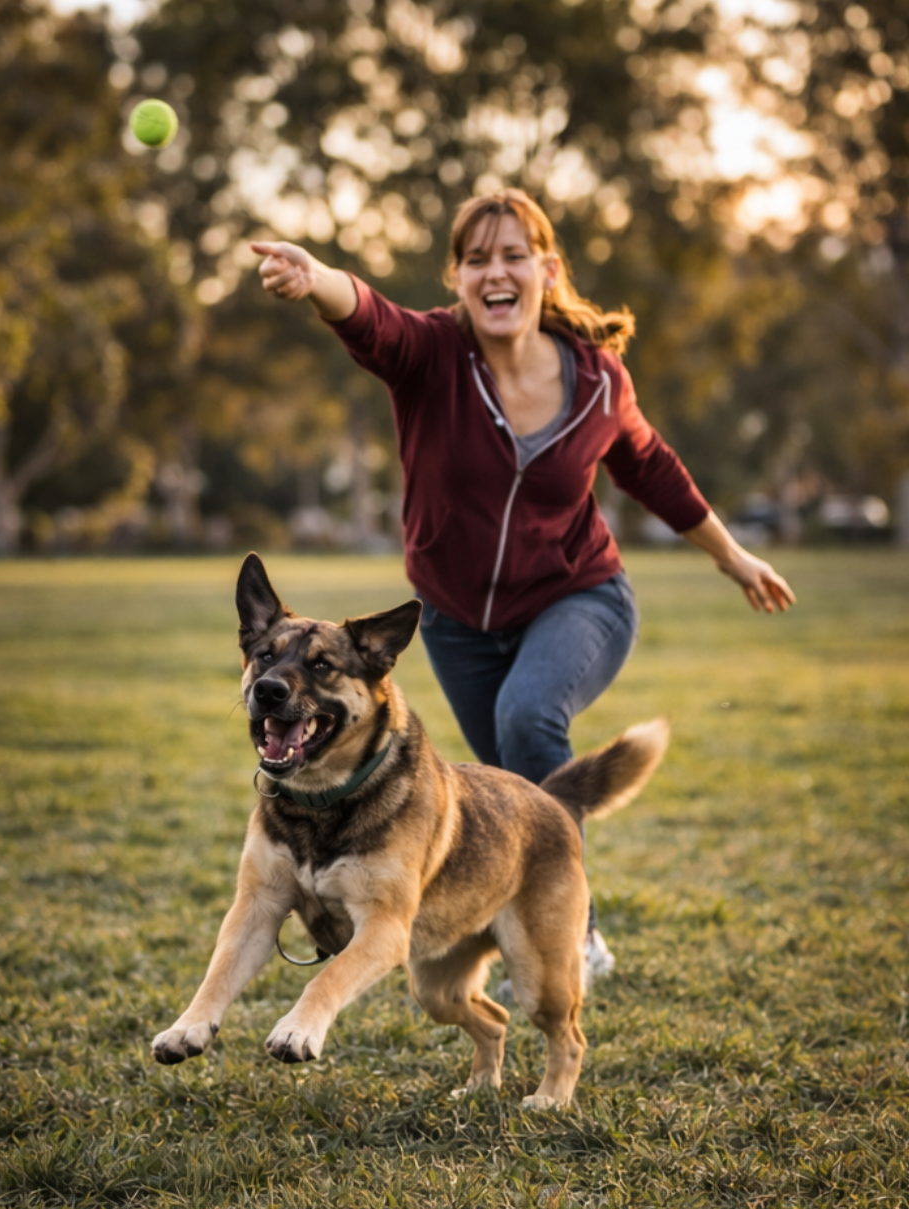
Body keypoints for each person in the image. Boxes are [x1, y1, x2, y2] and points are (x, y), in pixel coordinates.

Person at [250, 187, 793, 982]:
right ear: (460, 278)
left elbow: (653, 469)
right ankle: (537, 923)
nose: (495, 272)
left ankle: (577, 937)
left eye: (512, 255)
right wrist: (317, 276)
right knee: (509, 777)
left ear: (546, 268)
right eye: (476, 259)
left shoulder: (599, 381)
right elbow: (368, 316)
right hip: (458, 619)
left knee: (528, 716)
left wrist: (731, 555)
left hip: (581, 597)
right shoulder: (433, 355)